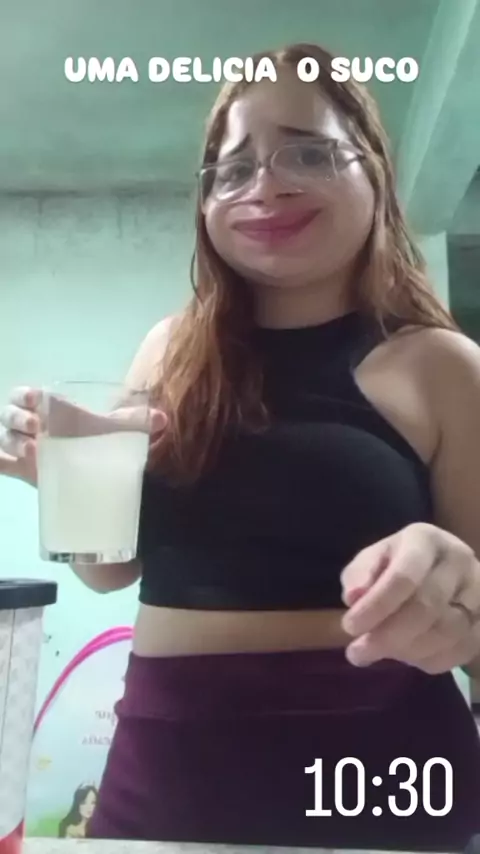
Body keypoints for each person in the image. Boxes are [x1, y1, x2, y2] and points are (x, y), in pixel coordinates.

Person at [1, 41, 480, 851]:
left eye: (308, 152)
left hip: (378, 765)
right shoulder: (170, 351)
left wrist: (460, 590)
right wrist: (64, 482)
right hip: (164, 759)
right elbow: (112, 568)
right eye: (233, 169)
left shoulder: (441, 364)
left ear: (375, 172)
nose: (265, 186)